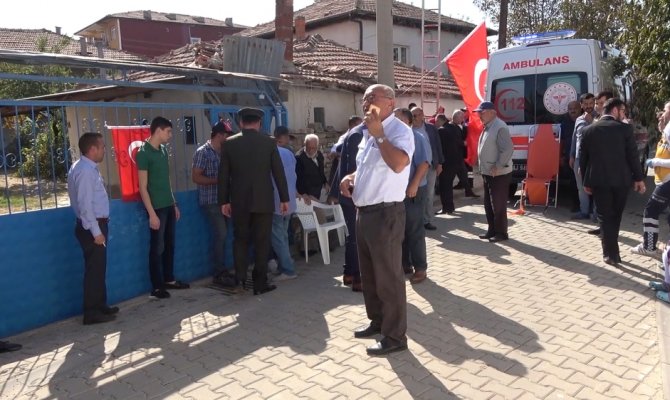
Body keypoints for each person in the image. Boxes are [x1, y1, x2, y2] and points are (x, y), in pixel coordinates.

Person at [340, 84, 414, 356]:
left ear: (391, 104)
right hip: (364, 212)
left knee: (389, 277)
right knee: (369, 275)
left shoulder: (398, 131)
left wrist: (381, 136)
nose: (366, 102)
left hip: (386, 214)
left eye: (373, 98)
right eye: (364, 98)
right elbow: (368, 169)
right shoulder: (367, 133)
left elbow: (397, 165)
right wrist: (351, 178)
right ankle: (378, 322)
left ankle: (395, 337)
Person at [218, 107, 290, 295]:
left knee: (240, 240)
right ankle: (259, 284)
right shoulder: (269, 143)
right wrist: (284, 198)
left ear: (241, 123)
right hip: (263, 200)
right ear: (258, 123)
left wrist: (224, 201)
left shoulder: (229, 144)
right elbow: (278, 172)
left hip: (239, 201)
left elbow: (223, 175)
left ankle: (240, 281)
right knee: (262, 242)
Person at [579, 98, 646, 266]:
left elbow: (583, 160)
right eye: (622, 111)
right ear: (615, 110)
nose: (624, 114)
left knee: (604, 216)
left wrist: (585, 182)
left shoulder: (588, 130)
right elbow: (632, 156)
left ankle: (610, 254)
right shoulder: (625, 129)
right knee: (615, 215)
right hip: (621, 181)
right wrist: (639, 179)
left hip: (598, 181)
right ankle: (613, 252)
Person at [67, 132, 118, 325]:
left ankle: (100, 305)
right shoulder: (85, 171)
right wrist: (96, 232)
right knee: (94, 270)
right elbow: (85, 205)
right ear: (92, 149)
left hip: (95, 224)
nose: (105, 150)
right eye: (102, 147)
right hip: (92, 226)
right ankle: (91, 312)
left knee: (98, 268)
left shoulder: (85, 168)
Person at [137, 116, 190, 300]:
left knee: (170, 245)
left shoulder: (163, 151)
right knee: (157, 248)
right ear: (158, 130)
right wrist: (152, 214)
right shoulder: (143, 153)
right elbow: (142, 187)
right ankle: (156, 286)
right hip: (156, 208)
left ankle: (169, 279)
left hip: (168, 205)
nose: (169, 136)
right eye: (168, 132)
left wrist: (173, 202)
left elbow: (166, 180)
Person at [192, 121, 235, 286]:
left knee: (223, 236)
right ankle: (218, 272)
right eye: (226, 135)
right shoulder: (203, 152)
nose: (228, 138)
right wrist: (218, 181)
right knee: (222, 235)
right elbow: (196, 177)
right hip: (211, 201)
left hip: (224, 201)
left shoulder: (224, 151)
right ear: (219, 135)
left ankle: (222, 270)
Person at [395, 107, 431, 284]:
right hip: (398, 193)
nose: (394, 121)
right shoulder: (394, 138)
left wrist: (413, 184)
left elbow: (424, 164)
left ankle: (420, 268)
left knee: (415, 231)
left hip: (414, 191)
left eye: (398, 119)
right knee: (401, 230)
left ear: (407, 121)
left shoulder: (417, 137)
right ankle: (405, 264)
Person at [328, 120, 364, 292]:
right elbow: (353, 168)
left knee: (353, 237)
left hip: (348, 194)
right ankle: (358, 277)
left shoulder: (351, 133)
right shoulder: (359, 134)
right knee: (358, 237)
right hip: (353, 194)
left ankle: (349, 273)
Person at [631, 100, 670, 258]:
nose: (661, 113)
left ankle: (649, 246)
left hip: (668, 181)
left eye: (665, 110)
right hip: (665, 179)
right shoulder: (666, 128)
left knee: (651, 210)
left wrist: (655, 162)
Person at [475, 101, 514, 243]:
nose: (479, 115)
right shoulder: (488, 126)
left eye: (482, 112)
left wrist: (498, 166)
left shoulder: (500, 127)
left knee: (498, 205)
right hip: (488, 173)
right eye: (479, 112)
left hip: (499, 173)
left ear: (492, 112)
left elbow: (508, 149)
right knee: (488, 204)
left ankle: (501, 233)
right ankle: (492, 230)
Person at [437, 109, 479, 214]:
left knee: (445, 186)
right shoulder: (457, 129)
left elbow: (439, 148)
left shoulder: (442, 130)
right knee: (451, 184)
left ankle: (447, 208)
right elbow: (461, 143)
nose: (463, 119)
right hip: (458, 161)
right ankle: (452, 204)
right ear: (455, 117)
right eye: (462, 118)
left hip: (447, 163)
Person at [410, 107, 444, 231]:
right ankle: (416, 220)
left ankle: (427, 220)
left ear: (422, 115)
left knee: (429, 194)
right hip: (416, 168)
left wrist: (440, 162)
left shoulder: (430, 128)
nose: (414, 118)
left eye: (416, 115)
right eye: (412, 116)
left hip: (431, 166)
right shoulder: (409, 130)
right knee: (417, 194)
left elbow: (438, 145)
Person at [272, 127, 299, 281]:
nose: (289, 141)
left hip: (276, 202)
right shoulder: (289, 154)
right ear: (280, 138)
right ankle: (284, 266)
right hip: (289, 201)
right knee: (282, 235)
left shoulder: (272, 153)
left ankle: (288, 270)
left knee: (277, 237)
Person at [569, 93, 597, 219]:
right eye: (585, 104)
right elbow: (575, 138)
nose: (589, 106)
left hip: (594, 159)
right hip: (579, 159)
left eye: (591, 103)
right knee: (581, 187)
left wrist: (592, 122)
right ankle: (584, 211)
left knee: (597, 188)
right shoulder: (578, 120)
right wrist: (572, 155)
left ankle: (596, 214)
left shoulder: (599, 118)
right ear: (581, 105)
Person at [561, 100, 582, 213]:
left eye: (575, 108)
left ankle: (588, 207)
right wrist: (563, 156)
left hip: (583, 157)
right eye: (570, 109)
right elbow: (563, 140)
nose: (572, 110)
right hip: (570, 157)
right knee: (573, 182)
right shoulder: (565, 123)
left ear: (580, 108)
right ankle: (576, 205)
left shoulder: (584, 120)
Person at [296, 134, 328, 200]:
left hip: (318, 191)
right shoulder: (299, 158)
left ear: (317, 146)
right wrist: (303, 193)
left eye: (313, 148)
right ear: (305, 144)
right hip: (307, 195)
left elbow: (321, 171)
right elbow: (298, 178)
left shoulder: (319, 155)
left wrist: (325, 182)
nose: (311, 150)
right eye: (308, 147)